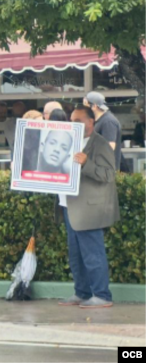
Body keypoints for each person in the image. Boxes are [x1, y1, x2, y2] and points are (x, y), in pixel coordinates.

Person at [58, 106, 119, 309]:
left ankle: (102, 295)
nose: (74, 123)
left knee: (93, 254)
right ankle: (81, 292)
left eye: (79, 120)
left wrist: (86, 164)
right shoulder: (68, 140)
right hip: (69, 205)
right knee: (76, 255)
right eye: (72, 119)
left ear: (91, 122)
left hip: (88, 209)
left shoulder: (100, 144)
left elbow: (108, 174)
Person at [84, 92, 123, 170]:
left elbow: (109, 147)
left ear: (94, 106)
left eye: (85, 105)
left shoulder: (108, 122)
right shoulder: (97, 121)